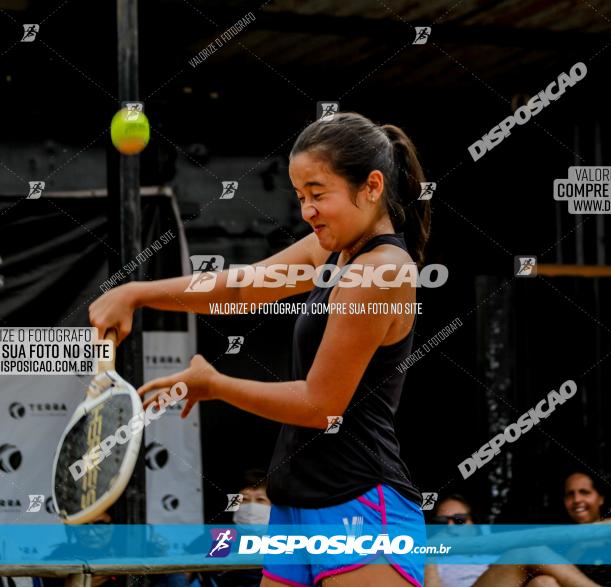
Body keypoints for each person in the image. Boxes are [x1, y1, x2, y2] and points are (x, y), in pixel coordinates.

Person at [89, 111, 432, 586]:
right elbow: (241, 289)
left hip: (359, 503)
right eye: (299, 196)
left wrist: (215, 385)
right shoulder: (332, 252)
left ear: (371, 186)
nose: (306, 210)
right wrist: (136, 292)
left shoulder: (383, 270)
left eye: (318, 194)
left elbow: (319, 404)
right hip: (296, 502)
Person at [475, 473, 611, 587]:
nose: (577, 500)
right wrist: (581, 545)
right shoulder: (558, 537)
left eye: (584, 492)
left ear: (600, 498)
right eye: (570, 494)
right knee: (543, 583)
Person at [424, 495, 495, 587]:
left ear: (475, 525)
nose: (450, 526)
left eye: (459, 520)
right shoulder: (430, 560)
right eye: (441, 521)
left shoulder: (494, 557)